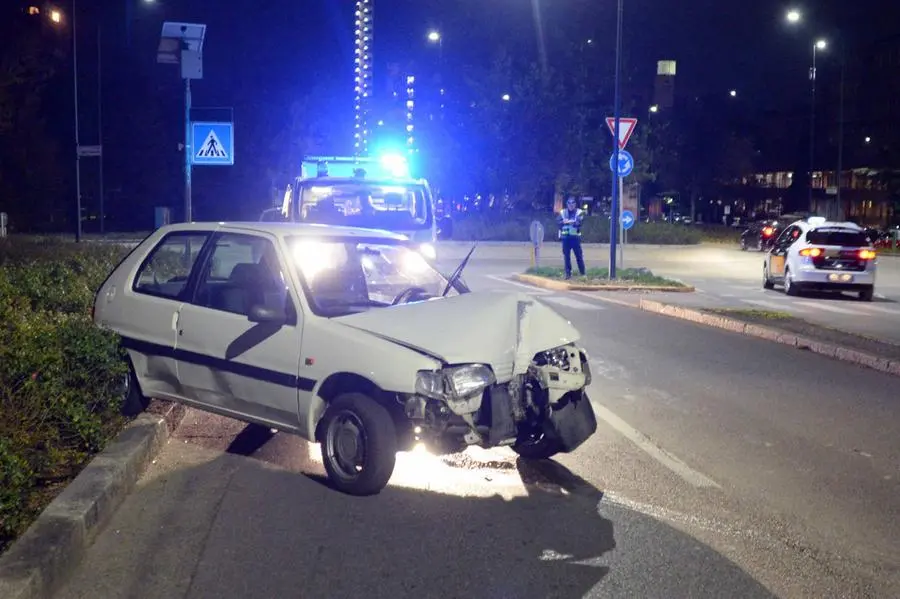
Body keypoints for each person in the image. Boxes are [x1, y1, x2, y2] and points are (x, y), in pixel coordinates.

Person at [557, 197, 586, 279]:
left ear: (575, 204)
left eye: (573, 203)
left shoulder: (579, 212)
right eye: (569, 203)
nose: (571, 205)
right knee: (566, 257)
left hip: (575, 238)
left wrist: (568, 222)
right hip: (565, 238)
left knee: (579, 256)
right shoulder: (563, 212)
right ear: (567, 204)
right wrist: (563, 222)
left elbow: (579, 223)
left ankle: (583, 273)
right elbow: (558, 222)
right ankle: (568, 274)